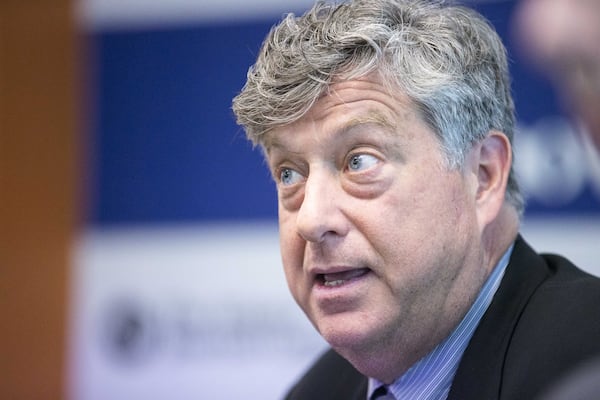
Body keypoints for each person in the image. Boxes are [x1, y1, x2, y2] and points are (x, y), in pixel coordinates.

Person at [231, 1, 600, 399]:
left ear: (483, 176)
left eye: (359, 161)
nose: (310, 219)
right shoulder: (316, 392)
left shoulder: (586, 365)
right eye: (289, 173)